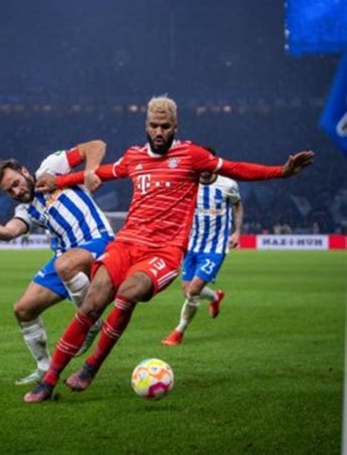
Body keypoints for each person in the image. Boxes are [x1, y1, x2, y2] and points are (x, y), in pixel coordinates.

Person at [27, 95, 314, 403]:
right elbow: (104, 172)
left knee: (128, 293)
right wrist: (59, 181)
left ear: (176, 126)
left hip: (163, 253)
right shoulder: (134, 157)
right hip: (126, 243)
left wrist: (280, 172)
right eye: (154, 125)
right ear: (146, 126)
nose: (159, 131)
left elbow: (235, 168)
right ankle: (49, 380)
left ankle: (92, 365)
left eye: (165, 126)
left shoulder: (193, 155)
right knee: (92, 302)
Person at [0, 140, 114, 385]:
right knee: (23, 309)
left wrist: (89, 171)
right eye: (9, 191)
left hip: (98, 241)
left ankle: (90, 321)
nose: (16, 192)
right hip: (65, 258)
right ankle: (44, 367)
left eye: (16, 184)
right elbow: (10, 232)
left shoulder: (51, 167)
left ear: (24, 172)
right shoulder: (26, 210)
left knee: (64, 265)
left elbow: (96, 145)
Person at [161, 147, 243, 346]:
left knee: (193, 291)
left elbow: (237, 205)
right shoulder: (189, 183)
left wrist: (237, 231)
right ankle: (215, 297)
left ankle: (178, 331)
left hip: (215, 249)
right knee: (187, 290)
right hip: (192, 246)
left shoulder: (228, 185)